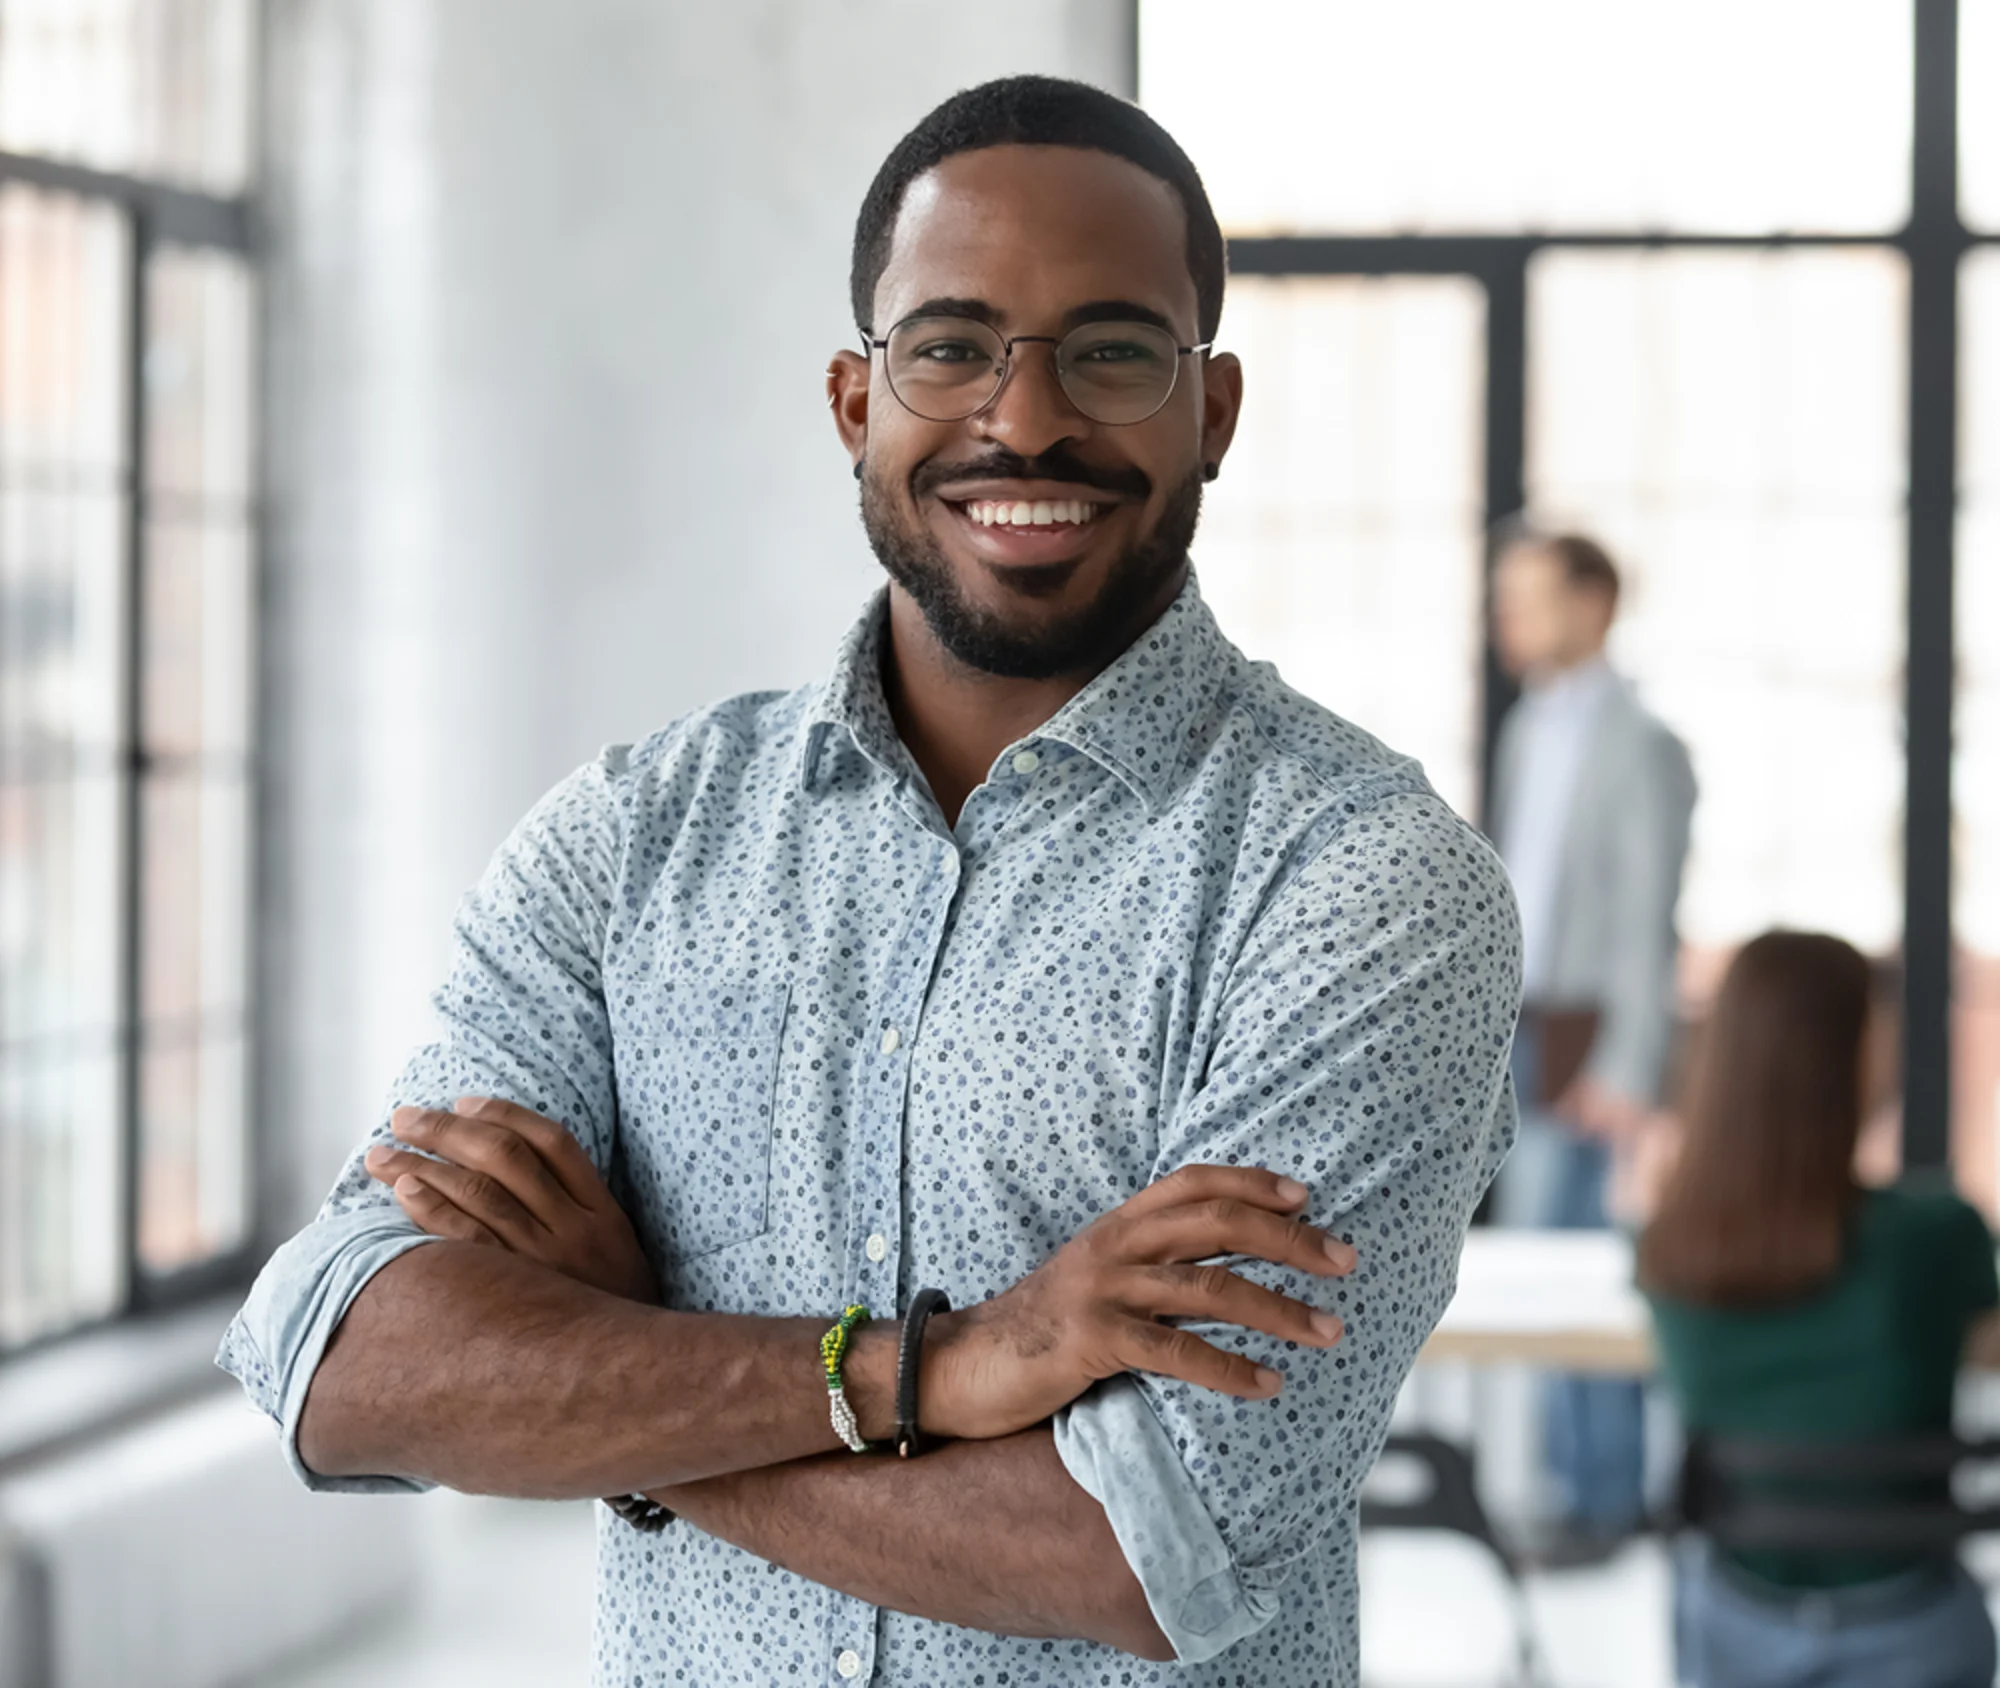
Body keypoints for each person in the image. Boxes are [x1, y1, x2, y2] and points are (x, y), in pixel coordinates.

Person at [220, 77, 1523, 1686]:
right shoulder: (633, 839)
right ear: (856, 402)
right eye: (951, 346)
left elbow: (1146, 1545)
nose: (1025, 419)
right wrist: (938, 1370)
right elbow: (339, 1357)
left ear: (1215, 411)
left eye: (1111, 351)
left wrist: (629, 1390)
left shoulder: (1362, 883)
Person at [1640, 931, 2000, 1688]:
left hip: (1735, 1630)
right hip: (1911, 1628)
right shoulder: (1933, 1238)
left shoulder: (1671, 1247)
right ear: (1852, 1053)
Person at [1486, 527, 1696, 1556]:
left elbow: (1643, 917)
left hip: (1590, 1033)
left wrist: (1625, 1065)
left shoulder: (1640, 742)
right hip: (1519, 1028)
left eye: (1528, 597)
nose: (1508, 620)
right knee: (1529, 1265)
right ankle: (1565, 1482)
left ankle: (1605, 1501)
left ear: (1594, 603)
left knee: (1585, 1270)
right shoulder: (1528, 729)